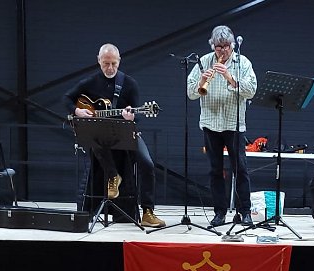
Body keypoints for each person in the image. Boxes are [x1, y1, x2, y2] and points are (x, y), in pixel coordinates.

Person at [63, 43, 165, 228]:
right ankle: (113, 176)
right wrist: (77, 111)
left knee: (147, 163)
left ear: (119, 61)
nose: (110, 68)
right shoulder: (90, 82)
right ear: (99, 61)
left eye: (113, 64)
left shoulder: (129, 84)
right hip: (101, 136)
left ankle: (148, 212)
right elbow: (67, 98)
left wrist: (131, 117)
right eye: (105, 63)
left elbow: (136, 117)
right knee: (93, 139)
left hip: (125, 132)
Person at [186, 25, 258, 227]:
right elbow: (190, 93)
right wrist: (201, 80)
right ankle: (219, 212)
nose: (223, 51)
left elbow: (251, 90)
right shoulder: (203, 61)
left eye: (226, 46)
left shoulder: (242, 62)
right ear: (213, 46)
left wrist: (229, 77)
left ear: (232, 45)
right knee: (215, 170)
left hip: (233, 124)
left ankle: (245, 212)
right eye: (219, 47)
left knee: (240, 169)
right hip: (210, 123)